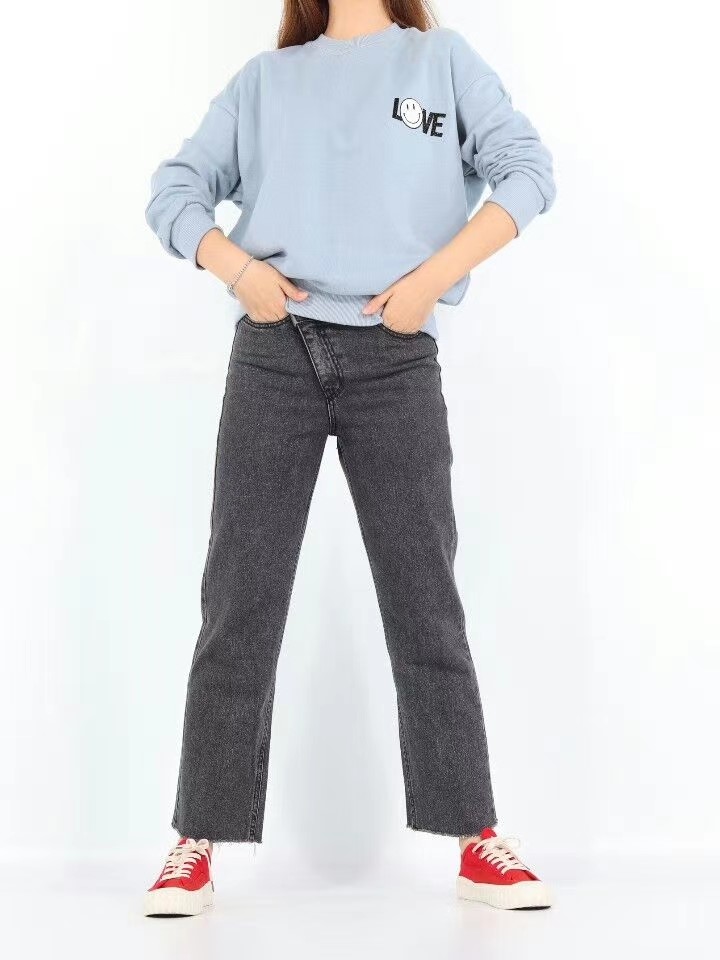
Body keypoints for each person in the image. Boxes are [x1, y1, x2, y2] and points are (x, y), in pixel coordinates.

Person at [143, 0, 556, 917]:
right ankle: (193, 839)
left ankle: (475, 835)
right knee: (239, 599)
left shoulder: (440, 63)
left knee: (425, 598)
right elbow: (174, 190)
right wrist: (238, 270)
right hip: (274, 349)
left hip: (396, 352)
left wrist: (430, 282)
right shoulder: (266, 81)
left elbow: (528, 171)